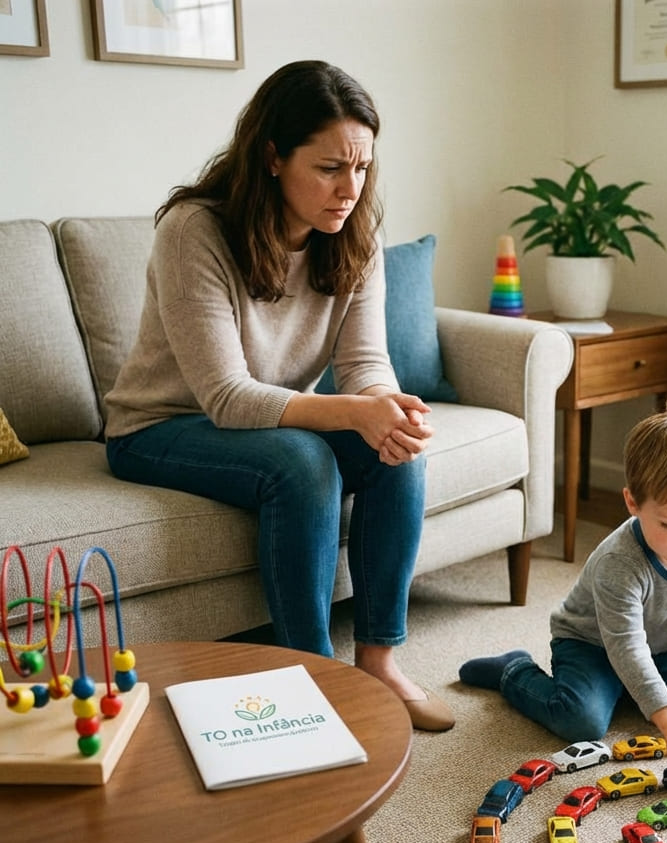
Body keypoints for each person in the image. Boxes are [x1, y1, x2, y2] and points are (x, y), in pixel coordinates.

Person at [104, 60, 454, 731]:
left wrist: (387, 408)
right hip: (160, 426)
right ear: (272, 157)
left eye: (362, 167)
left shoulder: (355, 233)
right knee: (303, 461)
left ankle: (378, 661)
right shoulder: (194, 230)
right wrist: (355, 413)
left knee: (397, 450)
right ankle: (312, 675)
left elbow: (365, 362)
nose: (350, 188)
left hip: (267, 421)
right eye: (330, 168)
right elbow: (226, 396)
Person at [459, 399, 667, 776]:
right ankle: (514, 669)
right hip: (591, 644)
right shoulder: (618, 560)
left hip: (660, 646)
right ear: (633, 502)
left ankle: (632, 690)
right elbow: (626, 646)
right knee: (581, 722)